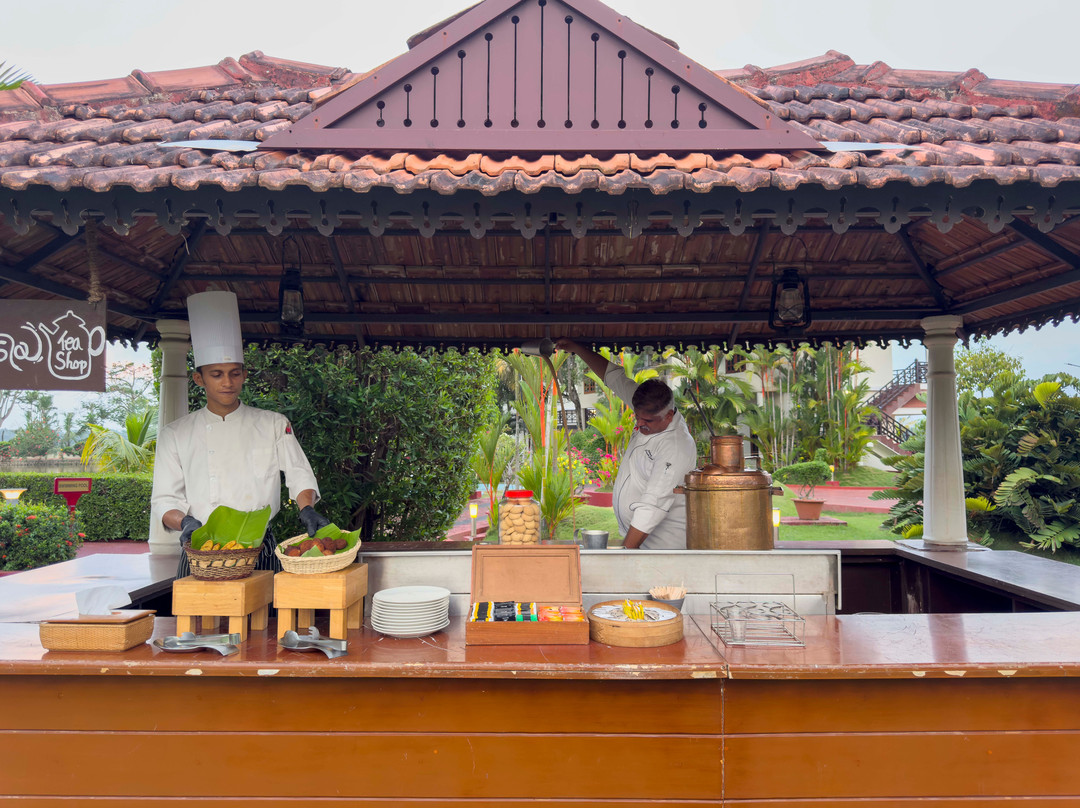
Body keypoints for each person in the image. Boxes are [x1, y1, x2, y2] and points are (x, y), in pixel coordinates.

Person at [151, 291, 330, 577]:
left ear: (244, 375)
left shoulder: (272, 423)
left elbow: (298, 473)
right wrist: (184, 522)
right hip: (201, 548)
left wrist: (306, 508)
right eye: (217, 374)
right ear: (199, 379)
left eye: (235, 373)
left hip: (258, 546)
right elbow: (164, 499)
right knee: (197, 622)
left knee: (264, 622)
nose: (228, 382)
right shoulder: (175, 434)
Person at [555, 339, 697, 549]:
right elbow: (613, 377)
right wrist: (577, 349)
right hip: (640, 544)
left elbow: (652, 506)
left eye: (647, 421)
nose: (638, 424)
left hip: (663, 549)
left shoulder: (675, 447)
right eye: (637, 416)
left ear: (668, 416)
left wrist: (624, 555)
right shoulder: (649, 408)